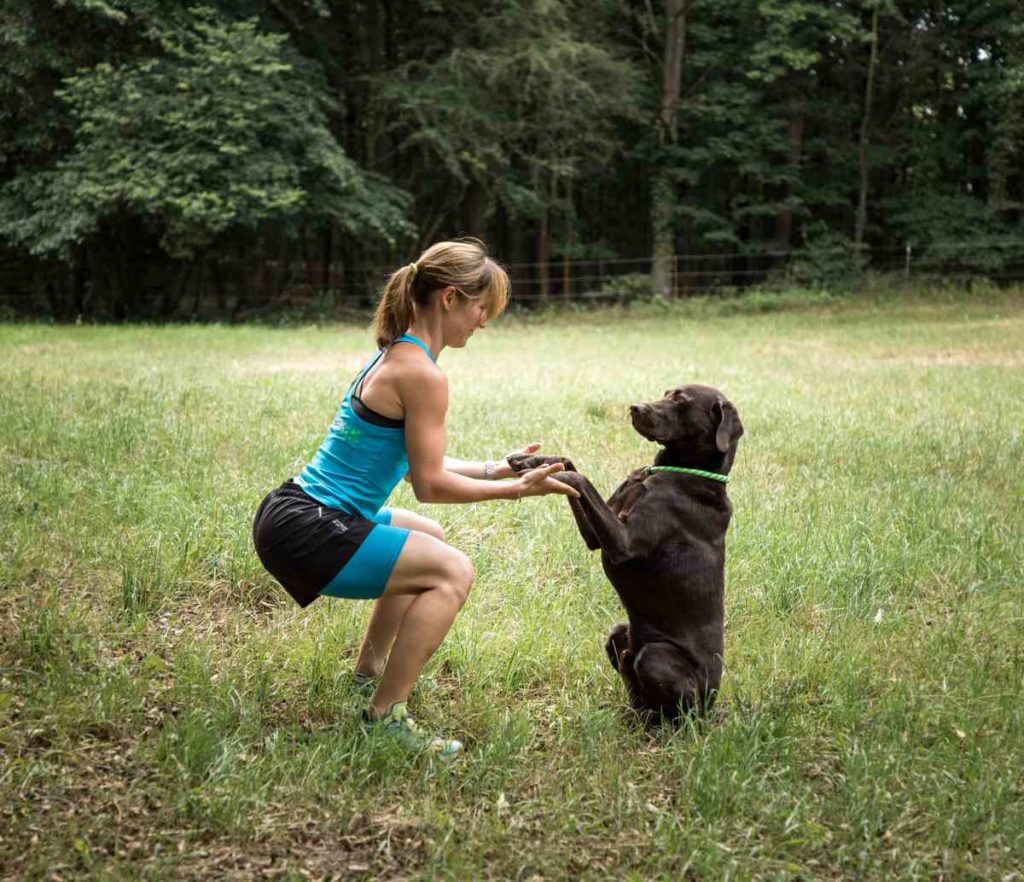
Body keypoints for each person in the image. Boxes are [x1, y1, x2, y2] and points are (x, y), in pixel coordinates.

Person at [253, 239, 577, 757]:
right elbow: (430, 485)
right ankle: (385, 716)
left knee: (426, 539)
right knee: (452, 571)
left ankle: (370, 673)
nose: (483, 322)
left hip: (292, 512)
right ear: (450, 298)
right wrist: (514, 491)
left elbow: (415, 461)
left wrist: (499, 466)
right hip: (308, 528)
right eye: (480, 309)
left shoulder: (398, 354)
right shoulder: (423, 374)